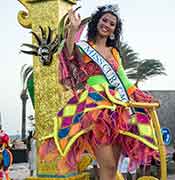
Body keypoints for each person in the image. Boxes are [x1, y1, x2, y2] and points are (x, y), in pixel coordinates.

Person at [39, 4, 159, 180]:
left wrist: (145, 99)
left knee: (111, 170)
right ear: (97, 22)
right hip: (95, 107)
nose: (107, 25)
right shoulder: (84, 47)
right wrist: (72, 30)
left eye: (112, 24)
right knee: (108, 164)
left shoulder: (114, 52)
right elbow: (68, 54)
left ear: (114, 31)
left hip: (118, 109)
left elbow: (124, 82)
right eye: (105, 20)